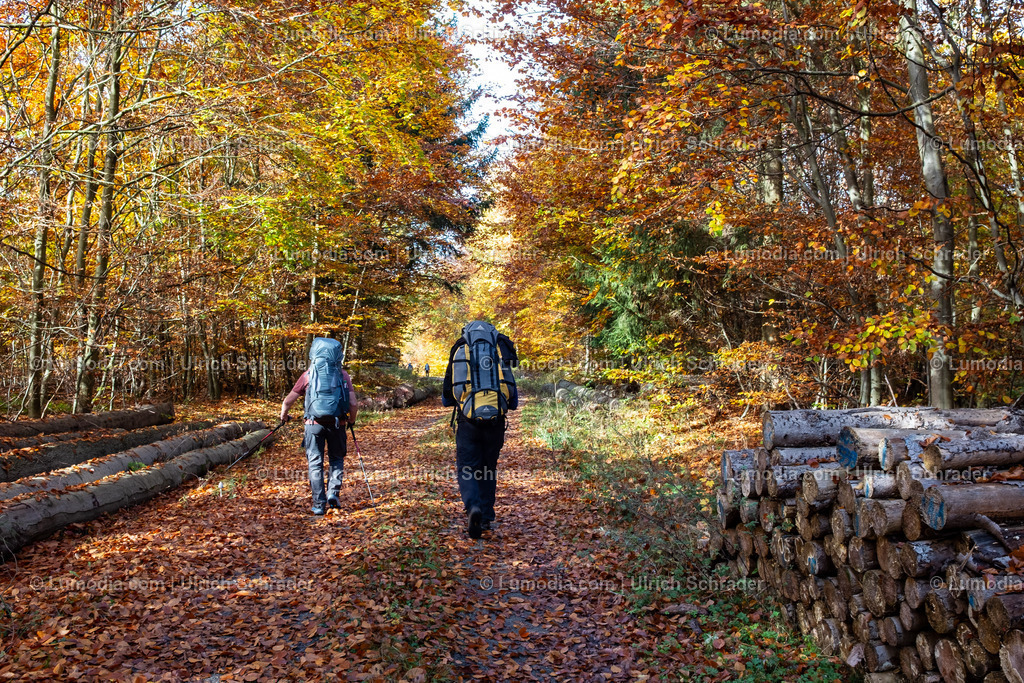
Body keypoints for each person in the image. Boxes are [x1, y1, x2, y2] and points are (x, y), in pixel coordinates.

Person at [442, 321, 518, 538]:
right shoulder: (498, 350)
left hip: (468, 422)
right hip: (495, 423)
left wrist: (458, 402)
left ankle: (472, 506)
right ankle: (485, 516)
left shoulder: (460, 350)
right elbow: (512, 399)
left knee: (467, 467)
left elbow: (448, 393)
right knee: (488, 468)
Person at [280, 339, 358, 515]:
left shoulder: (308, 375)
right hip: (338, 424)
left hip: (313, 425)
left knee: (315, 462)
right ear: (338, 356)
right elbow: (353, 403)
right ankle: (333, 493)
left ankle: (318, 503)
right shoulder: (343, 375)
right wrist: (351, 421)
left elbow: (288, 401)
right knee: (336, 459)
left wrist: (284, 416)